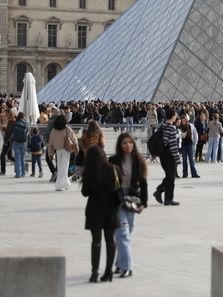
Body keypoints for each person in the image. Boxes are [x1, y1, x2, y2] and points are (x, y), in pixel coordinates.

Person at [109, 133, 148, 278]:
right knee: (122, 233)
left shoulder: (138, 161)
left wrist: (144, 203)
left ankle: (119, 263)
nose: (128, 145)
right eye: (125, 143)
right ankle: (127, 267)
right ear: (120, 145)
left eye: (130, 142)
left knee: (128, 232)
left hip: (133, 199)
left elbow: (143, 183)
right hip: (118, 199)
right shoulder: (113, 161)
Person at [81, 144, 118, 283]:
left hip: (94, 210)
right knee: (110, 240)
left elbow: (85, 193)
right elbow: (117, 188)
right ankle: (109, 271)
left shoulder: (90, 172)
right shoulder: (113, 169)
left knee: (96, 241)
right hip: (111, 210)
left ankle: (95, 272)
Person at [153, 109, 181, 206]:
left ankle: (160, 192)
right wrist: (177, 159)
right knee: (171, 177)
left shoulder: (162, 126)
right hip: (169, 155)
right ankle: (167, 198)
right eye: (175, 115)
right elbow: (173, 145)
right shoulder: (172, 128)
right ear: (173, 116)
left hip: (162, 155)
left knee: (170, 176)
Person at [47, 115, 78, 191]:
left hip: (58, 150)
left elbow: (50, 143)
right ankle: (63, 184)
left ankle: (61, 184)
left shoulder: (54, 130)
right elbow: (74, 139)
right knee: (64, 167)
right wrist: (77, 148)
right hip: (66, 150)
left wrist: (50, 153)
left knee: (61, 167)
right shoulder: (67, 129)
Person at [9, 112, 29, 178]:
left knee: (17, 158)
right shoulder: (26, 123)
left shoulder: (15, 123)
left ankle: (18, 173)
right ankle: (23, 173)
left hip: (16, 141)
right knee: (23, 158)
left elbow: (11, 132)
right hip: (24, 142)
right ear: (24, 117)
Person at [0, 109, 15, 176]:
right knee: (10, 156)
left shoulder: (12, 121)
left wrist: (3, 129)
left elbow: (10, 131)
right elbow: (8, 130)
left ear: (10, 114)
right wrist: (3, 128)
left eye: (6, 114)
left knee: (2, 155)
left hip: (9, 140)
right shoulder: (11, 121)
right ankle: (23, 163)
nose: (5, 116)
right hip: (9, 139)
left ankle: (3, 171)